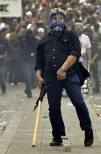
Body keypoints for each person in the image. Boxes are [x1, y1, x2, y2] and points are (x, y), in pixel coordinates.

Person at [35, 8, 93, 147]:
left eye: (60, 18)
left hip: (69, 74)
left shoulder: (72, 36)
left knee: (78, 102)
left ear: (64, 20)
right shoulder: (44, 40)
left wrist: (63, 69)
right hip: (50, 77)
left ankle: (88, 130)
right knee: (54, 107)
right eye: (54, 18)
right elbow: (40, 61)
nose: (57, 21)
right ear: (50, 21)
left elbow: (74, 53)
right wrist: (38, 75)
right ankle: (57, 135)